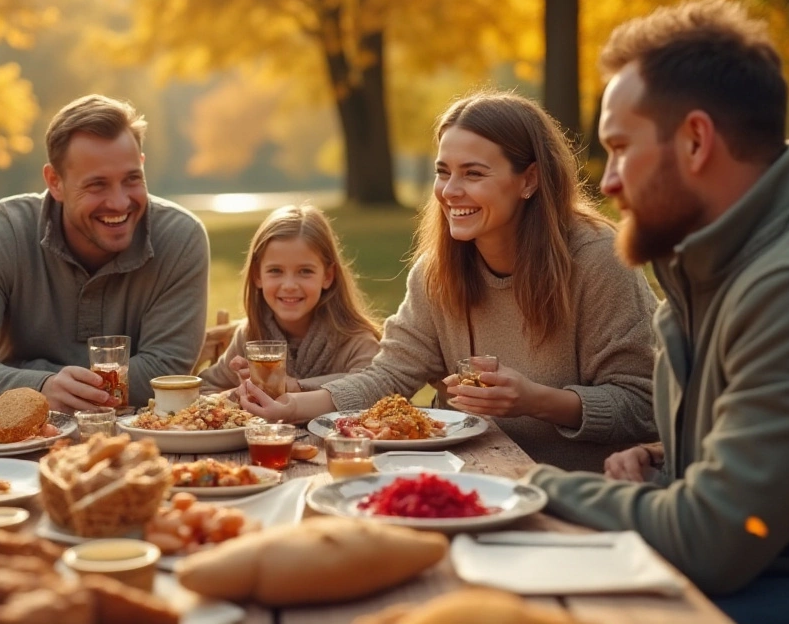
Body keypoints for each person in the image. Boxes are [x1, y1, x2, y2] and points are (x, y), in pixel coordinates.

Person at [525, 0, 789, 624]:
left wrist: (527, 484)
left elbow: (716, 539)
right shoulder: (713, 262)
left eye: (620, 147)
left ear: (694, 140)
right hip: (765, 568)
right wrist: (670, 459)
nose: (606, 181)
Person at [239, 92, 658, 472]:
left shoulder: (599, 258)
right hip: (469, 475)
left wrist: (537, 400)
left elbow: (644, 403)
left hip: (581, 490)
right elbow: (389, 376)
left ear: (528, 179)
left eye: (473, 174)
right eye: (443, 172)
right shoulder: (436, 271)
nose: (450, 191)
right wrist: (289, 406)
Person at [0, 94, 210, 413]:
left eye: (132, 179)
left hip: (140, 444)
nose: (120, 202)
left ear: (142, 164)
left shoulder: (181, 238)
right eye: (97, 185)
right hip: (16, 445)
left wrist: (27, 372)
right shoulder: (6, 231)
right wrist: (42, 387)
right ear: (55, 182)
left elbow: (162, 376)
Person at [198, 204, 381, 394]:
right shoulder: (250, 336)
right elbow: (204, 389)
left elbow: (373, 384)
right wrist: (239, 394)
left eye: (305, 271)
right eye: (275, 271)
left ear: (327, 276)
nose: (289, 285)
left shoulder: (355, 341)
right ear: (257, 276)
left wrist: (295, 387)